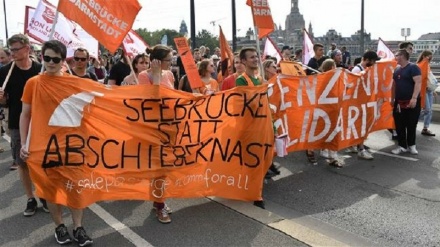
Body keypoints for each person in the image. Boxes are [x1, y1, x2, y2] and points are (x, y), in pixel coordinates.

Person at [20, 40, 93, 246]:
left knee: (76, 187)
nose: (50, 63)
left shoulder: (74, 83)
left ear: (63, 61)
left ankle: (78, 227)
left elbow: (87, 112)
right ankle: (59, 227)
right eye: (47, 58)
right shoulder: (33, 83)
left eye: (56, 59)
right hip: (44, 146)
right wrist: (25, 143)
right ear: (41, 57)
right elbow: (25, 115)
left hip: (73, 145)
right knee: (51, 189)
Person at [0, 34, 48, 215]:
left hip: (42, 122)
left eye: (16, 49)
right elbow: (4, 103)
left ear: (27, 49)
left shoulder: (40, 70)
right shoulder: (5, 72)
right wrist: (2, 100)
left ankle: (43, 194)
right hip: (16, 123)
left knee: (42, 162)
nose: (12, 53)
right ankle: (30, 198)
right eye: (11, 49)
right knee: (23, 162)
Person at [235, 47, 279, 209]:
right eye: (252, 57)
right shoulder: (242, 80)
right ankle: (256, 195)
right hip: (251, 127)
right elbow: (247, 103)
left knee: (264, 159)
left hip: (264, 124)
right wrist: (262, 91)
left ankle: (254, 189)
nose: (255, 59)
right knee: (254, 161)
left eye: (256, 56)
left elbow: (264, 104)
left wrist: (272, 125)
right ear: (244, 61)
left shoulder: (260, 79)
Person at [138, 44, 174, 223]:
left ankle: (157, 199)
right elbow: (153, 99)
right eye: (168, 60)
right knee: (159, 167)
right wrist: (158, 75)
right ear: (158, 61)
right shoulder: (144, 76)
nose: (172, 63)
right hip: (153, 127)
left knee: (165, 168)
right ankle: (160, 206)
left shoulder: (170, 74)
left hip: (170, 125)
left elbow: (173, 97)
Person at [345, 51, 381, 160]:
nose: (375, 63)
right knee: (361, 126)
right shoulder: (357, 70)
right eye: (373, 61)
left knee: (359, 126)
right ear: (367, 60)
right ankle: (361, 149)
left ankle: (352, 145)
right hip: (358, 104)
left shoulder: (366, 70)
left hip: (362, 103)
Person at [391, 49, 421, 155]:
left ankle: (412, 145)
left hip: (411, 101)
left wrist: (414, 98)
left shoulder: (413, 67)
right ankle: (402, 146)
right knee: (399, 125)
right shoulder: (397, 69)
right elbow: (394, 85)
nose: (395, 57)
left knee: (411, 124)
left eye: (396, 55)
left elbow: (418, 83)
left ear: (402, 56)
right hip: (399, 102)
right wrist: (392, 99)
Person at [318, 59, 343, 168]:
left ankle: (329, 151)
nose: (335, 67)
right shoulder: (324, 78)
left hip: (331, 108)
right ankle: (331, 153)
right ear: (330, 67)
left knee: (330, 131)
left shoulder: (333, 78)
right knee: (332, 131)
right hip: (329, 109)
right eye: (334, 66)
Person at [416, 50, 436, 136]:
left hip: (429, 90)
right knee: (427, 109)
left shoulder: (427, 66)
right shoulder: (419, 66)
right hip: (423, 90)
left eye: (430, 57)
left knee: (429, 110)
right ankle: (411, 120)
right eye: (428, 57)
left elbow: (429, 78)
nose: (429, 59)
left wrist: (433, 89)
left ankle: (425, 128)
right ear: (423, 56)